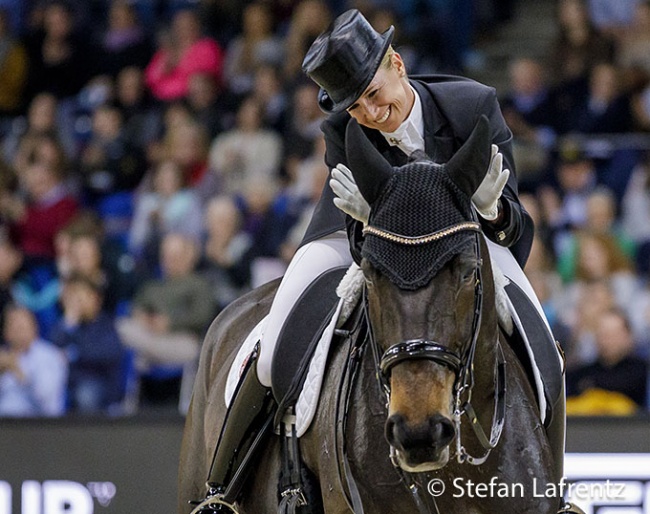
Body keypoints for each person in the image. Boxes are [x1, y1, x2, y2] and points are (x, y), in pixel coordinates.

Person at [208, 10, 579, 514]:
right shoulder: (345, 129)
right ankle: (222, 492)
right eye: (356, 107)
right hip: (358, 234)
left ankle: (552, 494)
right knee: (274, 348)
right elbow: (364, 253)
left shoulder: (473, 106)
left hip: (464, 236)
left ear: (397, 66)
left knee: (546, 353)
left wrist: (493, 209)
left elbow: (515, 232)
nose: (371, 113)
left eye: (374, 96)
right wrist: (365, 223)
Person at [50, 272, 125, 414]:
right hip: (66, 381)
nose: (76, 302)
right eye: (72, 297)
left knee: (85, 395)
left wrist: (75, 354)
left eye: (81, 296)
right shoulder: (66, 324)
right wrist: (69, 323)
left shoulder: (105, 324)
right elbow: (51, 352)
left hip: (99, 382)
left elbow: (108, 354)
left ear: (95, 298)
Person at [0, 304, 68, 417]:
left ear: (34, 328)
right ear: (6, 332)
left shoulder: (50, 356)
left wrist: (17, 371)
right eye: (13, 325)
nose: (18, 330)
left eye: (22, 326)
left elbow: (45, 397)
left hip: (38, 425)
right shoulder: (3, 356)